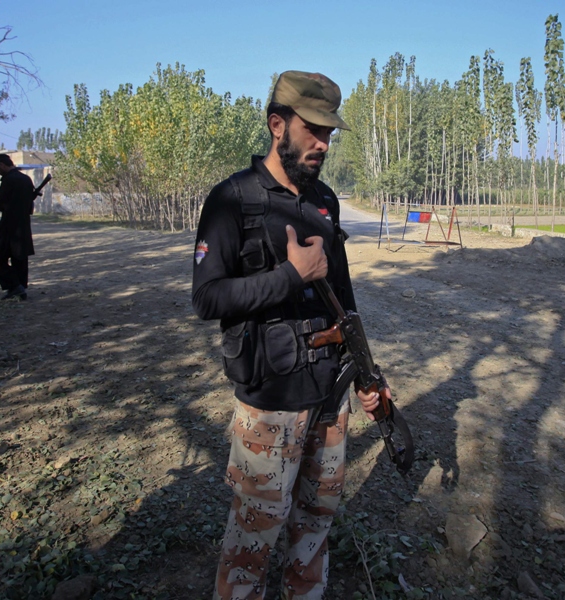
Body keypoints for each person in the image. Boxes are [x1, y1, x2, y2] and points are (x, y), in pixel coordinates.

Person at [192, 70, 384, 600]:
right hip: (270, 404)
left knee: (315, 530)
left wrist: (370, 374)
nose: (323, 144)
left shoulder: (325, 201)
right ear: (277, 125)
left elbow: (343, 300)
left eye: (329, 135)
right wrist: (289, 277)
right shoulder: (233, 199)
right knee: (252, 543)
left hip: (330, 398)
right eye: (313, 132)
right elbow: (206, 298)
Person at [0, 153, 35, 301]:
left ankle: (15, 286)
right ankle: (20, 288)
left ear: (2, 164)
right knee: (19, 257)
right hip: (23, 223)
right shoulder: (26, 179)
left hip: (9, 223)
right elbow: (30, 205)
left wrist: (10, 208)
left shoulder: (9, 180)